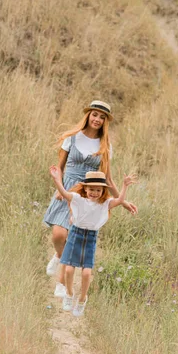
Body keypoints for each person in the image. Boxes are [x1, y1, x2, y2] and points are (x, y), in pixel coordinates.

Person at [43, 100, 137, 297]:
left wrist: (123, 201)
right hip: (67, 188)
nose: (97, 119)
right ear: (88, 115)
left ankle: (61, 283)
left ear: (105, 122)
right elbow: (60, 166)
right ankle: (59, 256)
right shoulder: (72, 138)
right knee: (58, 235)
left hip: (87, 196)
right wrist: (59, 186)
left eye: (102, 117)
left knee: (74, 238)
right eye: (95, 115)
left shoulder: (105, 146)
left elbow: (108, 179)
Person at [49, 167, 137, 316]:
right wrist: (57, 180)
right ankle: (69, 294)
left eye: (98, 190)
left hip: (90, 238)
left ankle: (82, 299)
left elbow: (120, 200)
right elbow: (64, 193)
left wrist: (124, 186)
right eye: (91, 189)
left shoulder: (105, 204)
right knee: (69, 269)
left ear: (103, 191)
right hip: (75, 235)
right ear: (85, 189)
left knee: (86, 273)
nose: (95, 193)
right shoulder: (78, 199)